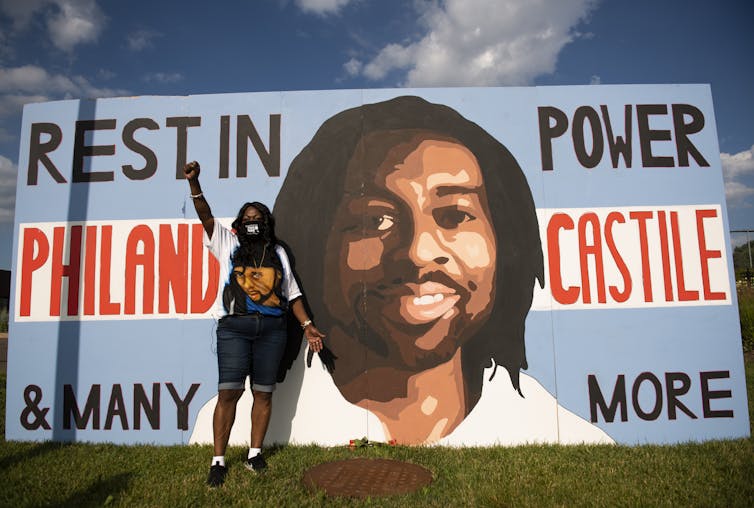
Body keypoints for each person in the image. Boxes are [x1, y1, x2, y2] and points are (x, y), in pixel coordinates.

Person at [272, 95, 609, 444]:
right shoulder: (234, 423)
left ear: (503, 238)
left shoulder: (568, 434)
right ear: (316, 240)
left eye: (454, 215)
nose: (420, 252)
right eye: (375, 219)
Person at [184, 160, 325, 487]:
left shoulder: (278, 252)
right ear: (238, 223)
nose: (251, 223)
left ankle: (254, 454)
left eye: (256, 219)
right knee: (229, 392)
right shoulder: (228, 244)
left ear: (266, 223)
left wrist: (307, 325)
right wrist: (194, 185)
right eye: (246, 218)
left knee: (263, 393)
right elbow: (205, 216)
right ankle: (218, 460)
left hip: (272, 332)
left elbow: (292, 294)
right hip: (234, 328)